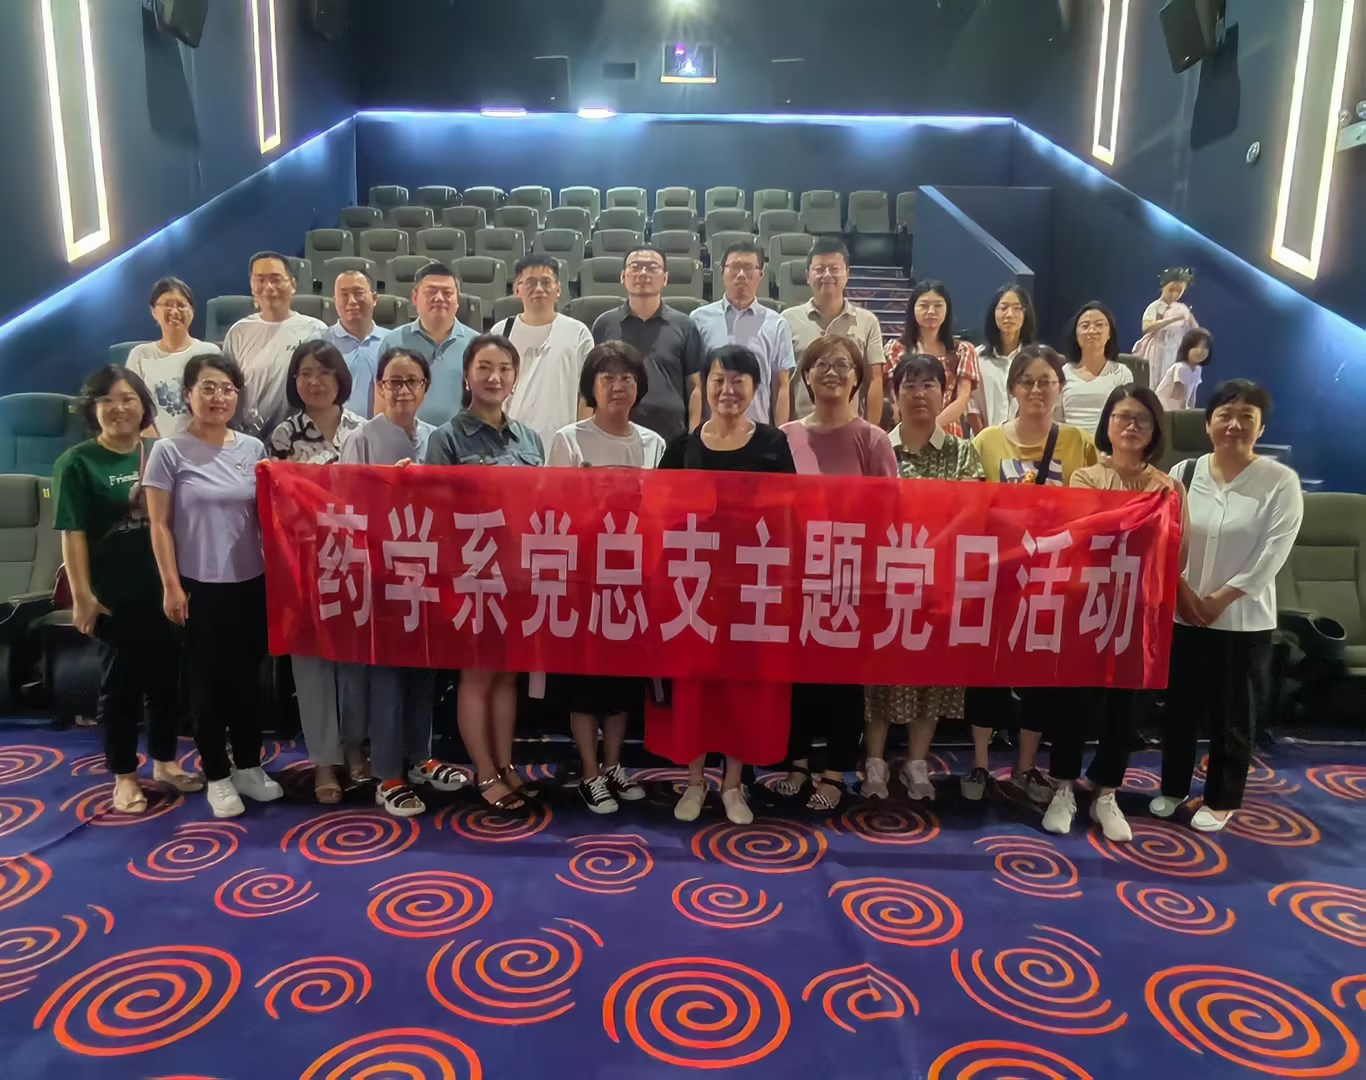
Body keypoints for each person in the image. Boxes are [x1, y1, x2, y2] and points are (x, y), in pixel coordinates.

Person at [652, 345, 798, 825]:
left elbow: (789, 513)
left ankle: (733, 784)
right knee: (695, 686)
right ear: (704, 385)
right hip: (695, 588)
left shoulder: (773, 443)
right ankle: (695, 782)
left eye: (739, 381)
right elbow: (660, 514)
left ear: (755, 389)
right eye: (718, 379)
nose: (728, 390)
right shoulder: (683, 446)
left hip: (751, 587)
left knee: (741, 687)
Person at [52, 367, 204, 813]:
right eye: (108, 400)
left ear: (144, 406)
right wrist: (82, 595)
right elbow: (72, 533)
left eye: (128, 399)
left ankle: (164, 761)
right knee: (121, 688)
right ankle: (123, 775)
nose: (118, 408)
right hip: (113, 597)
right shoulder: (78, 463)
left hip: (166, 590)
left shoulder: (161, 452)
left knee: (166, 682)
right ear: (93, 408)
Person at [1153, 380, 1302, 833]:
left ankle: (1222, 798)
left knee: (1233, 716)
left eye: (1246, 417)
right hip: (1183, 612)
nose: (1234, 425)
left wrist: (1220, 598)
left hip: (1242, 621)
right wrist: (1183, 593)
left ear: (1261, 427)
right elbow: (1165, 539)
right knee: (1179, 710)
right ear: (1208, 423)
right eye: (1225, 415)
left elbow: (1273, 553)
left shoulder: (1280, 482)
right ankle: (1173, 787)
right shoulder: (1184, 472)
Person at [143, 355, 281, 818]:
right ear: (188, 395)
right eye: (207, 388)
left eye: (226, 389)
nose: (218, 397)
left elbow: (266, 518)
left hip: (250, 583)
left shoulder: (253, 448)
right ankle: (218, 775)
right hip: (197, 586)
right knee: (206, 689)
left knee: (247, 684)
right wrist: (170, 584)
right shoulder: (169, 451)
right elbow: (159, 526)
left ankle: (248, 766)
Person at [1048, 386, 1185, 841]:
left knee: (1128, 709)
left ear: (1155, 430)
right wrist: (1139, 516)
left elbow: (1175, 550)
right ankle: (1063, 788)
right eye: (1122, 417)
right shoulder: (1085, 478)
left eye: (1141, 419)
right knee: (1075, 702)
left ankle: (1106, 791)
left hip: (1142, 611)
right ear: (1107, 424)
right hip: (1088, 605)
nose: (1131, 426)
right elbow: (1088, 536)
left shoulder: (1169, 487)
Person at [341, 346, 469, 817]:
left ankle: (420, 756)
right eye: (393, 381)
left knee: (424, 670)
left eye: (411, 381)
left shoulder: (436, 438)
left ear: (425, 388)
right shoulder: (361, 439)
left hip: (428, 572)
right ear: (378, 387)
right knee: (387, 675)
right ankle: (387, 774)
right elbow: (346, 506)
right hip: (381, 574)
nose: (402, 390)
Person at [972, 345, 1098, 803]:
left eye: (1047, 381)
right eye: (1027, 381)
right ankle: (980, 765)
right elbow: (972, 507)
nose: (1037, 390)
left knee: (1040, 677)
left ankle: (1025, 767)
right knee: (986, 671)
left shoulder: (1079, 443)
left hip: (1054, 580)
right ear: (1012, 388)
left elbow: (1094, 506)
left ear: (1061, 387)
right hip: (999, 576)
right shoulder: (987, 441)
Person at [426, 335, 545, 811]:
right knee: (477, 675)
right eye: (484, 368)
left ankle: (506, 763)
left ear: (515, 378)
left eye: (504, 369)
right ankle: (485, 770)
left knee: (507, 676)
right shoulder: (446, 439)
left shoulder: (530, 440)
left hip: (518, 573)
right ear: (466, 376)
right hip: (471, 574)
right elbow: (435, 513)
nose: (494, 377)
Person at [777, 335, 896, 810]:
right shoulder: (784, 436)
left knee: (843, 678)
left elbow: (889, 513)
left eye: (842, 365)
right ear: (805, 376)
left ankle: (834, 771)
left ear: (857, 379)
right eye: (820, 364)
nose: (831, 372)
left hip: (851, 575)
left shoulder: (872, 439)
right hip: (796, 573)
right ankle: (798, 762)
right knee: (797, 673)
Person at [547, 341, 664, 812]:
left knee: (621, 682)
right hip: (583, 580)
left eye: (627, 378)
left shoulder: (653, 444)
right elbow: (553, 511)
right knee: (584, 683)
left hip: (633, 580)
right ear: (591, 387)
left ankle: (614, 764)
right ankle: (590, 772)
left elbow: (662, 514)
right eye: (608, 377)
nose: (618, 386)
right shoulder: (569, 440)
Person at [865, 354, 984, 802]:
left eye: (929, 385)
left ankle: (917, 762)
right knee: (877, 674)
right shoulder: (877, 447)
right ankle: (874, 763)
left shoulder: (962, 451)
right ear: (895, 396)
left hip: (940, 583)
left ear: (944, 393)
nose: (919, 394)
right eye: (909, 385)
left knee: (932, 672)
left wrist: (933, 542)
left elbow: (972, 512)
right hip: (885, 580)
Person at [268, 340, 366, 802]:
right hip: (303, 565)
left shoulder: (362, 431)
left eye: (324, 372)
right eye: (305, 373)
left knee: (355, 664)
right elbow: (277, 504)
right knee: (311, 667)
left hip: (356, 564)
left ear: (340, 378)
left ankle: (355, 749)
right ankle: (324, 761)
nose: (315, 381)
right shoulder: (283, 436)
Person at [591, 245, 706, 441]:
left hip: (671, 434)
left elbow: (695, 387)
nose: (643, 273)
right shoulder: (604, 324)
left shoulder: (685, 325)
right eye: (635, 267)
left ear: (665, 278)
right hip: (614, 433)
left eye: (652, 267)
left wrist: (693, 435)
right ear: (623, 276)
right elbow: (592, 383)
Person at [222, 252, 328, 439]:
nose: (268, 287)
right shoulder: (238, 333)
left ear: (293, 285)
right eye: (260, 280)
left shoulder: (316, 330)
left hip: (301, 439)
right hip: (249, 439)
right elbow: (227, 387)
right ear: (252, 286)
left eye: (276, 279)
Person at [691, 241, 796, 426]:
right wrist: (694, 431)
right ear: (722, 272)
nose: (741, 275)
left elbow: (781, 386)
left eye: (748, 268)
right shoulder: (699, 319)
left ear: (760, 275)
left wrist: (779, 434)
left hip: (759, 430)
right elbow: (696, 383)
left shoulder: (776, 324)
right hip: (711, 430)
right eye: (734, 268)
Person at [782, 239, 886, 426]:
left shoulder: (867, 321)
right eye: (820, 269)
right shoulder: (787, 320)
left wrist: (871, 431)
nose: (827, 275)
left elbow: (875, 379)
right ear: (807, 276)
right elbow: (781, 381)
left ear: (847, 274)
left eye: (834, 269)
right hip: (801, 427)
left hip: (850, 428)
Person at [494, 254, 593, 448]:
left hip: (562, 444)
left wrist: (580, 441)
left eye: (546, 282)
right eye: (530, 283)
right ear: (517, 289)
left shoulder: (578, 333)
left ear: (559, 289)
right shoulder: (501, 332)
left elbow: (587, 396)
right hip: (509, 444)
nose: (539, 289)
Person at [378, 262, 479, 427]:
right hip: (405, 438)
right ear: (415, 297)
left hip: (460, 439)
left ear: (457, 300)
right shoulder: (393, 342)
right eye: (431, 291)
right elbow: (381, 405)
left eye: (447, 293)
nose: (439, 298)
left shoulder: (476, 344)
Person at [125, 277, 220, 436]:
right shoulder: (140, 355)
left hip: (203, 442)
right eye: (167, 305)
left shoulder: (209, 352)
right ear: (154, 312)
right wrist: (157, 445)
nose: (175, 312)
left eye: (181, 305)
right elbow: (133, 408)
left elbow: (219, 405)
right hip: (156, 444)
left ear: (192, 312)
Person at [887, 280, 980, 437]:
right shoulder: (896, 349)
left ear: (947, 309)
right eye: (924, 305)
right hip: (908, 430)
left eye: (938, 305)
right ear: (913, 309)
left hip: (948, 433)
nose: (931, 311)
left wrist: (932, 428)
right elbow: (896, 396)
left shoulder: (963, 350)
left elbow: (962, 398)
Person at [1061, 302, 1133, 435]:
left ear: (1109, 333)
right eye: (1085, 326)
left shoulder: (1122, 373)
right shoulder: (1062, 373)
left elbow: (1127, 418)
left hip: (1109, 444)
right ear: (1075, 334)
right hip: (1071, 444)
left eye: (1099, 325)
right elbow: (1056, 421)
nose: (1092, 330)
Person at [971, 284, 1036, 429]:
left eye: (1017, 308)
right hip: (984, 438)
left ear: (1026, 314)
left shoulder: (1035, 359)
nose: (1009, 314)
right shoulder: (977, 356)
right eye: (1003, 308)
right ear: (993, 313)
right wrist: (986, 438)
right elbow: (972, 407)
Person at [322, 268, 386, 418]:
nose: (351, 301)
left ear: (374, 298)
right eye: (344, 294)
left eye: (358, 293)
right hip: (335, 430)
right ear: (335, 301)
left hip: (381, 429)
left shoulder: (392, 342)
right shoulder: (319, 344)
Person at [1133, 268, 1197, 389]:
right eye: (1172, 289)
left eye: (1179, 291)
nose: (1174, 294)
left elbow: (1195, 331)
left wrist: (1189, 317)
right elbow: (1146, 327)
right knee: (1154, 384)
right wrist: (1171, 319)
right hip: (1157, 350)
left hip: (1175, 351)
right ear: (1164, 286)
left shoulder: (1182, 309)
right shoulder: (1155, 306)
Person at [1154, 327, 1212, 412]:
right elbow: (1178, 397)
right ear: (1186, 348)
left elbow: (1192, 396)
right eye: (1196, 346)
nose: (1200, 351)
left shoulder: (1198, 370)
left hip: (1180, 410)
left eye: (1204, 347)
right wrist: (1185, 415)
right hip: (1164, 410)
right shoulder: (1181, 368)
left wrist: (1192, 411)